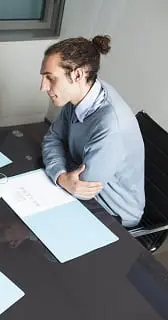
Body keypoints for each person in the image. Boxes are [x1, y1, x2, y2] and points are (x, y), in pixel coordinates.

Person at [40, 35, 145, 228]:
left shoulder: (111, 125)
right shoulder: (81, 95)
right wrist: (61, 175)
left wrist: (61, 172)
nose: (43, 87)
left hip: (112, 212)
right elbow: (52, 139)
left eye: (50, 78)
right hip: (78, 190)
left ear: (78, 75)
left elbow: (81, 187)